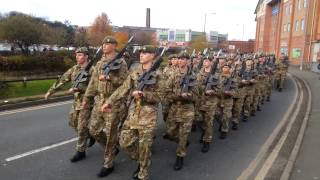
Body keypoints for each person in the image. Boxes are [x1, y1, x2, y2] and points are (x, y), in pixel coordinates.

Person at [101, 45, 166, 180]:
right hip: (133, 114)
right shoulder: (135, 72)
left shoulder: (159, 74)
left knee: (145, 147)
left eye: (145, 53)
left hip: (148, 116)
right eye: (141, 52)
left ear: (153, 56)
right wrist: (109, 102)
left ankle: (143, 173)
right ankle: (142, 160)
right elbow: (123, 89)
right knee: (124, 141)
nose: (141, 55)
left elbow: (161, 96)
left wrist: (144, 95)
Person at [82, 36, 129, 177]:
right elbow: (93, 83)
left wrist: (110, 78)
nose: (104, 45)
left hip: (113, 103)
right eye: (103, 43)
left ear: (114, 46)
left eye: (107, 43)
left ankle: (108, 164)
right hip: (99, 100)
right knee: (94, 130)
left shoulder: (121, 62)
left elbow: (125, 83)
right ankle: (113, 149)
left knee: (110, 135)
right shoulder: (100, 62)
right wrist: (87, 98)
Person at [45, 47, 94, 162]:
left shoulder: (93, 70)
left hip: (86, 102)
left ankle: (81, 151)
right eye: (76, 55)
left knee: (82, 128)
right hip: (76, 102)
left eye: (80, 55)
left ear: (86, 56)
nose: (77, 57)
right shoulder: (74, 69)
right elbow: (62, 80)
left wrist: (79, 89)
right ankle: (90, 135)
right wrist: (50, 91)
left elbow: (95, 88)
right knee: (73, 123)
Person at [163, 51, 198, 170]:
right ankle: (182, 142)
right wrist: (177, 96)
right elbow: (166, 91)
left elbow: (198, 95)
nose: (181, 60)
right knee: (170, 132)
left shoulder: (193, 76)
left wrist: (189, 96)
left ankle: (180, 156)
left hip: (187, 109)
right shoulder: (173, 74)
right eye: (180, 58)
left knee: (184, 134)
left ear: (188, 61)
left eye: (184, 59)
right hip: (174, 107)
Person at [197, 55, 219, 152]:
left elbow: (220, 89)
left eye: (207, 61)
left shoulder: (216, 75)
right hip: (200, 101)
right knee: (199, 120)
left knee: (209, 122)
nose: (205, 62)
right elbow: (195, 87)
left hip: (210, 102)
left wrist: (213, 92)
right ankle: (203, 132)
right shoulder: (199, 74)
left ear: (211, 62)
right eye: (204, 60)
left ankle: (207, 141)